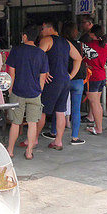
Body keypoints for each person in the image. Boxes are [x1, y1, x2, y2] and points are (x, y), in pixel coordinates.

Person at [33, 20, 81, 151]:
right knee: (60, 111)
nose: (40, 32)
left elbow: (37, 59)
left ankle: (34, 139)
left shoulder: (47, 40)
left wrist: (44, 71)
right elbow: (78, 58)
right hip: (65, 80)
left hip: (51, 81)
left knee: (42, 111)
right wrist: (70, 75)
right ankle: (58, 141)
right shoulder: (66, 42)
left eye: (42, 29)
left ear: (48, 28)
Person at [48, 22, 97, 145]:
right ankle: (74, 137)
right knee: (76, 109)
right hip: (78, 80)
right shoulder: (80, 45)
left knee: (58, 107)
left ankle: (54, 132)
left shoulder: (60, 44)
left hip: (62, 79)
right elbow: (93, 54)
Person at [5, 24, 49, 160]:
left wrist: (11, 89)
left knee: (15, 123)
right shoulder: (41, 53)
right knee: (32, 123)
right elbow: (43, 75)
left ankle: (10, 151)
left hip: (18, 92)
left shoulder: (16, 51)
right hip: (35, 93)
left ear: (24, 36)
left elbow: (11, 73)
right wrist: (39, 91)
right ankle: (29, 152)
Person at [84, 24, 107, 136]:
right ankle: (98, 125)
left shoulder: (88, 46)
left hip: (93, 76)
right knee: (97, 103)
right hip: (102, 76)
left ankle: (99, 128)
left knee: (94, 103)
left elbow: (82, 59)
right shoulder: (106, 46)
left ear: (92, 34)